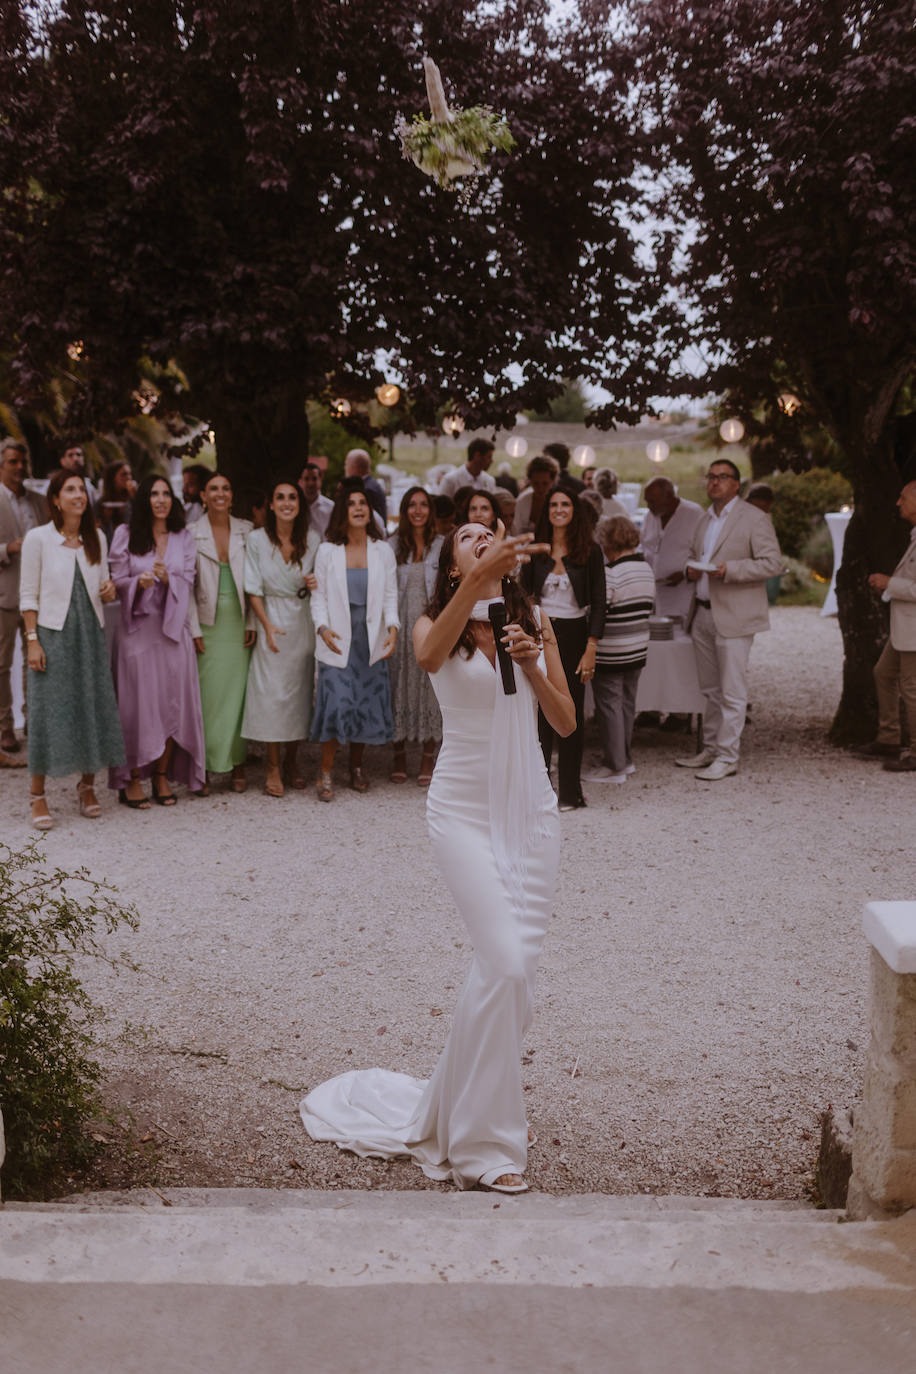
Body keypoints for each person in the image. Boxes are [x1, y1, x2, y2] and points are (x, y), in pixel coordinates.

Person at [301, 522, 574, 1193]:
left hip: (532, 815)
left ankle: (474, 1109)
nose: (483, 534)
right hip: (462, 815)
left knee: (508, 980)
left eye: (492, 528)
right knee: (505, 964)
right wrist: (477, 587)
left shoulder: (533, 618)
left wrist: (534, 664)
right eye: (469, 533)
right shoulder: (438, 622)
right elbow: (425, 660)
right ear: (451, 560)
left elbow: (566, 723)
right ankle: (485, 1148)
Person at [19, 470, 124, 828]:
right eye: (71, 489)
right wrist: (33, 641)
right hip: (52, 635)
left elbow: (104, 585)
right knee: (48, 713)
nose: (79, 495)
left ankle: (87, 786)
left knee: (91, 706)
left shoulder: (96, 537)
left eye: (82, 489)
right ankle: (37, 795)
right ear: (55, 499)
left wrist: (109, 591)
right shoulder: (38, 539)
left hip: (90, 634)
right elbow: (27, 594)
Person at [678, 458, 782, 780]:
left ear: (737, 484)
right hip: (702, 612)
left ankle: (728, 755)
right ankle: (710, 748)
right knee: (709, 690)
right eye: (710, 476)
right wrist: (689, 568)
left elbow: (772, 563)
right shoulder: (703, 519)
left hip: (735, 615)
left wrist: (730, 570)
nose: (714, 482)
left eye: (722, 477)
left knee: (733, 690)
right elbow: (691, 556)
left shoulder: (754, 518)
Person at [108, 474, 205, 807]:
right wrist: (140, 582)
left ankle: (162, 776)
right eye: (153, 494)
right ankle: (132, 777)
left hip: (173, 629)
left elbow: (189, 580)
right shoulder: (125, 534)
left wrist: (170, 579)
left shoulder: (183, 537)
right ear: (144, 500)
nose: (160, 500)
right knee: (137, 705)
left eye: (166, 494)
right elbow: (116, 580)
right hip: (137, 630)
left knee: (171, 702)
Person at [309, 479, 399, 800]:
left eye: (363, 503)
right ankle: (326, 770)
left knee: (363, 701)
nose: (359, 508)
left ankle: (356, 767)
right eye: (352, 503)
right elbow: (317, 598)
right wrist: (322, 628)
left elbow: (390, 595)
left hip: (370, 637)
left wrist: (393, 628)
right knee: (337, 702)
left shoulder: (383, 551)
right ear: (343, 512)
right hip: (336, 638)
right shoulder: (327, 552)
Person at [523, 483, 605, 810]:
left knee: (570, 714)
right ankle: (539, 791)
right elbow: (525, 596)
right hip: (540, 633)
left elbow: (599, 603)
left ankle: (570, 792)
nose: (559, 509)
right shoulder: (536, 550)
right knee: (540, 713)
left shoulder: (591, 551)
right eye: (553, 504)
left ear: (575, 511)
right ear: (547, 511)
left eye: (565, 505)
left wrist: (591, 647)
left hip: (574, 634)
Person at [241, 479, 321, 795]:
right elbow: (252, 587)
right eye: (280, 498)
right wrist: (266, 625)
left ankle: (292, 760)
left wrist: (317, 582)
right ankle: (272, 765)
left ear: (299, 505)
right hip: (269, 618)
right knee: (271, 694)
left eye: (292, 497)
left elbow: (324, 578)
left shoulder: (313, 539)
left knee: (298, 693)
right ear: (271, 505)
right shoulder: (257, 540)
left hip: (301, 617)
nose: (286, 502)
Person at [188, 471, 256, 792]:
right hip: (207, 623)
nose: (220, 493)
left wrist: (254, 622)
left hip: (240, 623)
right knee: (207, 698)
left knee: (238, 695)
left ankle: (237, 764)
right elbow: (186, 587)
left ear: (232, 495)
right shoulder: (191, 533)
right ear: (203, 495)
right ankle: (203, 766)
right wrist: (193, 628)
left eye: (225, 488)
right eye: (213, 488)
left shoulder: (248, 531)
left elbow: (258, 585)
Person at [583, 516, 656, 784]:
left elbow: (598, 610)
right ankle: (624, 759)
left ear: (607, 542)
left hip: (613, 650)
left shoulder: (611, 573)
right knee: (626, 704)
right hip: (638, 648)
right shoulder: (645, 568)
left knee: (609, 707)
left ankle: (614, 765)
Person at [855, 480, 916, 772]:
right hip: (905, 628)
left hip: (914, 631)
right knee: (884, 673)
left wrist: (890, 583)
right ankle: (889, 737)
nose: (897, 503)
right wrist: (888, 589)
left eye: (903, 498)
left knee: (912, 689)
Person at [387, 486, 443, 786]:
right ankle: (397, 755)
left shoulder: (442, 546)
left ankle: (426, 756)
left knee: (429, 687)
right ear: (404, 509)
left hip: (430, 625)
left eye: (423, 505)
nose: (418, 510)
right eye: (412, 505)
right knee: (397, 685)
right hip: (398, 622)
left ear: (430, 510)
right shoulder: (391, 544)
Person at [0, 437, 48, 760]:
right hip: (4, 594)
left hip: (39, 597)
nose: (19, 467)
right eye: (12, 461)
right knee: (1, 665)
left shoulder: (40, 501)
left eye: (22, 461)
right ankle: (4, 727)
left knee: (39, 661)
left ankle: (37, 722)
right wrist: (8, 549)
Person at [640, 476, 704, 619]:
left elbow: (704, 553)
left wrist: (684, 573)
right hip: (655, 593)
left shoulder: (694, 514)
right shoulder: (650, 515)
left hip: (682, 594)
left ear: (669, 497)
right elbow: (644, 546)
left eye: (652, 501)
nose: (648, 506)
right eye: (647, 500)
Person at [513, 453, 560, 535]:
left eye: (545, 484)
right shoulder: (522, 501)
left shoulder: (560, 502)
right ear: (530, 481)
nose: (540, 489)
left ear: (552, 482)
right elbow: (515, 530)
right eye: (536, 483)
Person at [344, 449, 388, 526]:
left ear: (354, 467)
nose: (345, 468)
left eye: (346, 464)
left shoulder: (367, 490)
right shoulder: (371, 483)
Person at [98, 459, 137, 542]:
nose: (128, 477)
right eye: (124, 474)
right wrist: (106, 520)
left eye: (130, 474)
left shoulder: (133, 499)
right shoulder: (101, 503)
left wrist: (135, 497)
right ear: (113, 478)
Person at [299, 462, 334, 537]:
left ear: (320, 480)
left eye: (314, 479)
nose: (310, 483)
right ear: (301, 481)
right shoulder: (296, 506)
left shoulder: (331, 507)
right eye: (306, 479)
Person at [59, 441, 99, 507]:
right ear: (62, 461)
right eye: (70, 455)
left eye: (78, 455)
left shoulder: (89, 485)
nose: (75, 459)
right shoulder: (57, 484)